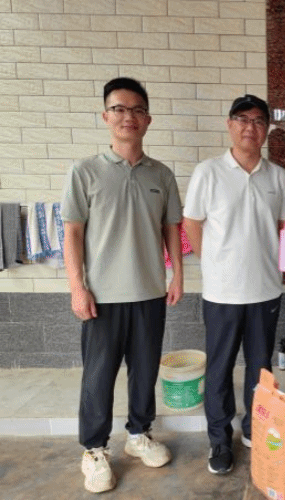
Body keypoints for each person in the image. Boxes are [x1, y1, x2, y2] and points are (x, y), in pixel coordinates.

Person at [62, 77, 183, 494]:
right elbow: (72, 232)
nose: (128, 116)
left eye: (137, 110)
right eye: (119, 108)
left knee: (144, 372)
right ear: (105, 116)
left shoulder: (161, 174)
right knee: (98, 376)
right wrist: (77, 287)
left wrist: (178, 275)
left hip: (150, 292)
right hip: (102, 296)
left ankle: (138, 434)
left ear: (148, 119)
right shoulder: (85, 172)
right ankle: (94, 449)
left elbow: (171, 228)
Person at [182, 95, 285, 475]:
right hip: (222, 292)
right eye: (243, 119)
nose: (251, 127)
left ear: (267, 129)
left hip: (265, 289)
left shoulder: (278, 177)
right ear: (230, 124)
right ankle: (219, 439)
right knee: (220, 367)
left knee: (260, 368)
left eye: (259, 120)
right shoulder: (208, 172)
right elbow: (192, 223)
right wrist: (212, 262)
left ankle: (254, 429)